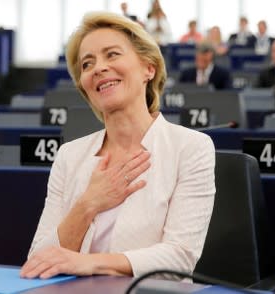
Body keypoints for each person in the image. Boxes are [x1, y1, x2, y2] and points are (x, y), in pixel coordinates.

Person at [20, 12, 215, 279]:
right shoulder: (69, 156)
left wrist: (90, 263)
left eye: (112, 55)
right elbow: (39, 261)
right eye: (87, 64)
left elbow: (179, 257)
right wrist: (88, 203)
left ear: (149, 68)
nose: (98, 68)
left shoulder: (191, 147)